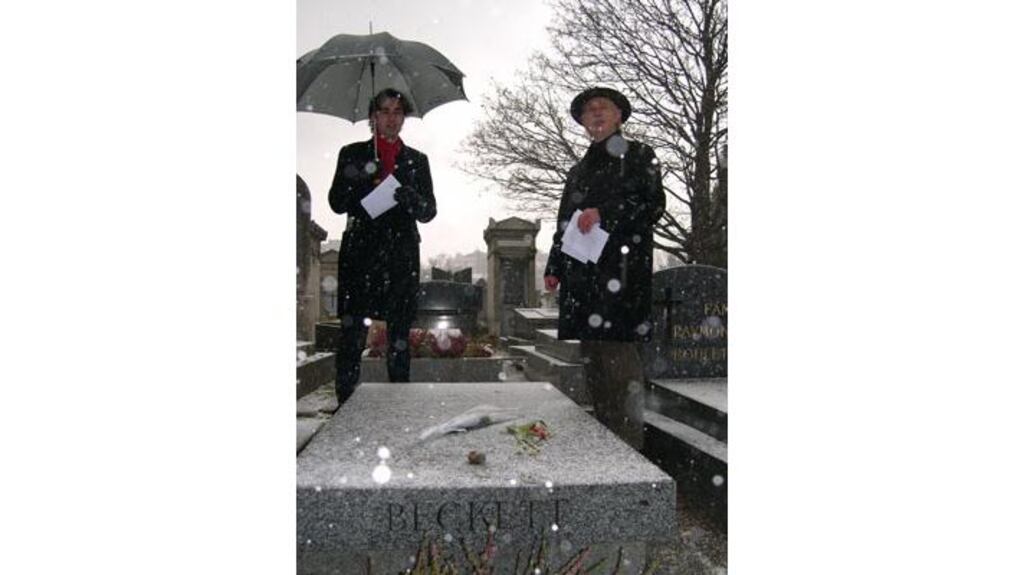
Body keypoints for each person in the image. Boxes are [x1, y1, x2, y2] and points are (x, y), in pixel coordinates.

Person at [543, 87, 665, 450]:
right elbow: (565, 221)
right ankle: (606, 445)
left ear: (619, 116)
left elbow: (653, 205)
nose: (595, 114)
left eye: (603, 108)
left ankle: (629, 449)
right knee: (594, 362)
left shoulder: (640, 155)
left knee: (619, 363)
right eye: (588, 110)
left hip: (622, 273)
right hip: (584, 278)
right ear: (582, 123)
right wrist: (554, 266)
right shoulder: (578, 170)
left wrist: (606, 214)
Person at [328, 88, 437, 404]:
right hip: (360, 254)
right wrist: (364, 177)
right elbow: (336, 202)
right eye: (385, 111)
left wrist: (412, 198)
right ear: (372, 117)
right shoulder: (352, 153)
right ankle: (344, 403)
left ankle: (398, 401)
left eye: (397, 112)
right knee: (352, 332)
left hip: (401, 255)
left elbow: (429, 211)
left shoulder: (417, 160)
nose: (391, 118)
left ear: (404, 118)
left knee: (399, 332)